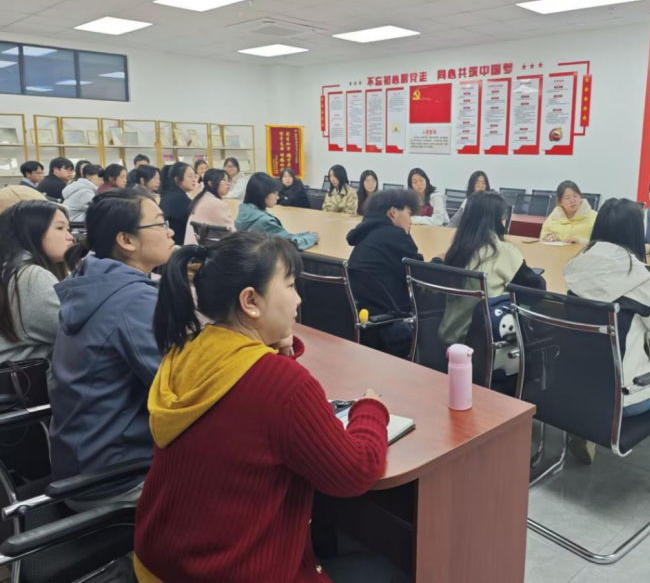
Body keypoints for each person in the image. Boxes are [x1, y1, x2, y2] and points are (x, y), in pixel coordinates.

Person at [133, 232, 397, 583]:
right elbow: (356, 472)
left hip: (158, 566)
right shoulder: (280, 384)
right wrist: (370, 409)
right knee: (390, 569)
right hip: (227, 573)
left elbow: (253, 412)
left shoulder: (187, 350)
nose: (298, 298)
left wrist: (276, 353)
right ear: (250, 301)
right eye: (289, 285)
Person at [564, 198, 650, 505]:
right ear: (636, 232)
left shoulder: (575, 267)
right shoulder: (644, 278)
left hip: (571, 389)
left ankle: (583, 434)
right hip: (620, 398)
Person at [49, 190, 175, 510]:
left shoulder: (94, 281)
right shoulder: (133, 300)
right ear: (126, 240)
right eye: (160, 224)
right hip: (118, 480)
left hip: (80, 465)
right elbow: (181, 389)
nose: (170, 232)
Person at [439, 192, 546, 344]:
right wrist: (539, 278)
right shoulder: (502, 251)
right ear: (498, 220)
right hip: (484, 342)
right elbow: (535, 294)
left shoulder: (457, 249)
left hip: (450, 334)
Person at [348, 189, 423, 357]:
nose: (411, 220)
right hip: (390, 326)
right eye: (409, 214)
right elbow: (420, 276)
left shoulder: (366, 233)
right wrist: (439, 260)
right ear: (393, 212)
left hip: (365, 321)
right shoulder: (394, 235)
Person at [0, 201, 74, 363]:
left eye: (68, 229)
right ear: (32, 231)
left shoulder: (10, 268)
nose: (70, 237)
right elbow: (76, 331)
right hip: (27, 377)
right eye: (59, 228)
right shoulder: (30, 276)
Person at [235, 173, 318, 251]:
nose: (277, 197)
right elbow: (290, 243)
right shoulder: (264, 221)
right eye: (275, 193)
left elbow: (283, 235)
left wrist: (304, 235)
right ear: (263, 193)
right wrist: (312, 238)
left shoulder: (245, 211)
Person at [184, 168, 235, 246]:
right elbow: (232, 234)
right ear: (211, 183)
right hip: (205, 250)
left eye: (228, 180)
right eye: (223, 180)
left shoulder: (201, 198)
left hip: (192, 249)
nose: (228, 183)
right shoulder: (216, 204)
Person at [541, 180, 597, 245]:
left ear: (580, 196)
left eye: (575, 196)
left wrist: (579, 241)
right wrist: (548, 236)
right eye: (567, 198)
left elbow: (601, 242)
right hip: (556, 251)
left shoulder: (594, 217)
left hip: (584, 251)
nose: (572, 200)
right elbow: (544, 233)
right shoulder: (554, 216)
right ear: (560, 202)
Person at [159, 162, 198, 246]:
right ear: (177, 179)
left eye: (195, 176)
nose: (194, 179)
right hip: (179, 245)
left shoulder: (169, 194)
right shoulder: (179, 198)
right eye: (190, 176)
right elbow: (197, 221)